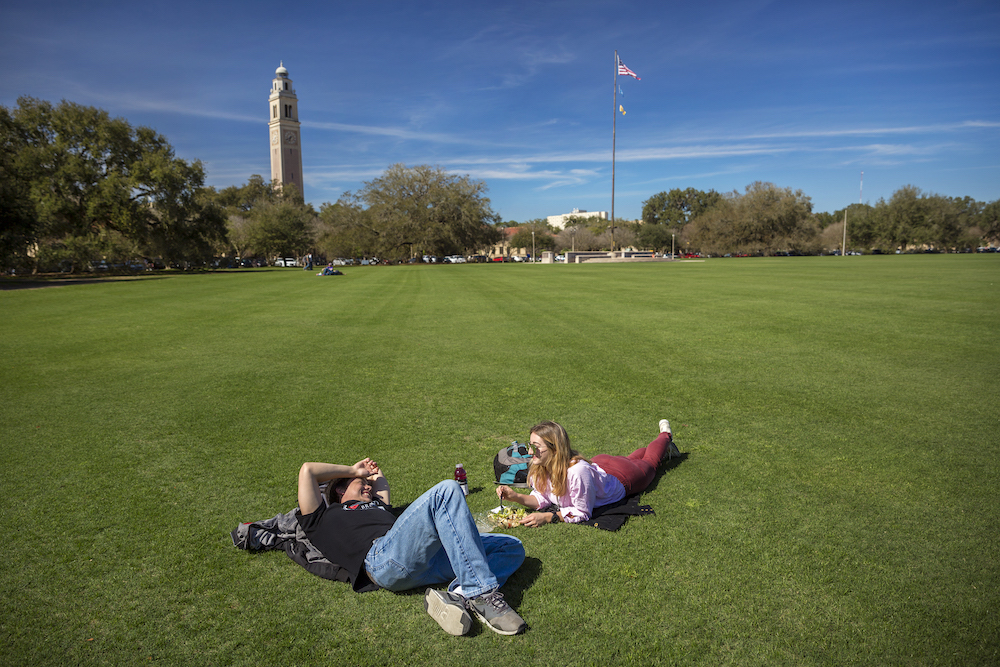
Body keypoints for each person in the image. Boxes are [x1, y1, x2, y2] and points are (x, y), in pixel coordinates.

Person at [296, 458, 527, 636]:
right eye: (361, 484)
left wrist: (372, 473)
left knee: (511, 546)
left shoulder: (379, 507)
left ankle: (457, 595)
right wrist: (355, 471)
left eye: (368, 483)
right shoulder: (321, 518)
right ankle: (483, 595)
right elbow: (308, 471)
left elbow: (380, 480)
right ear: (339, 490)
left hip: (420, 560)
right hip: (382, 560)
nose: (368, 486)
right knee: (446, 491)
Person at [496, 420, 679, 527]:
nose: (529, 452)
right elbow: (542, 497)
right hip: (600, 466)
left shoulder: (577, 472)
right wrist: (516, 496)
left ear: (555, 450)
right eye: (530, 445)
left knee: (650, 463)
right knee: (634, 459)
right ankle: (656, 447)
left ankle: (665, 435)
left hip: (623, 476)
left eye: (536, 447)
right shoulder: (540, 465)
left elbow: (583, 512)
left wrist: (548, 517)